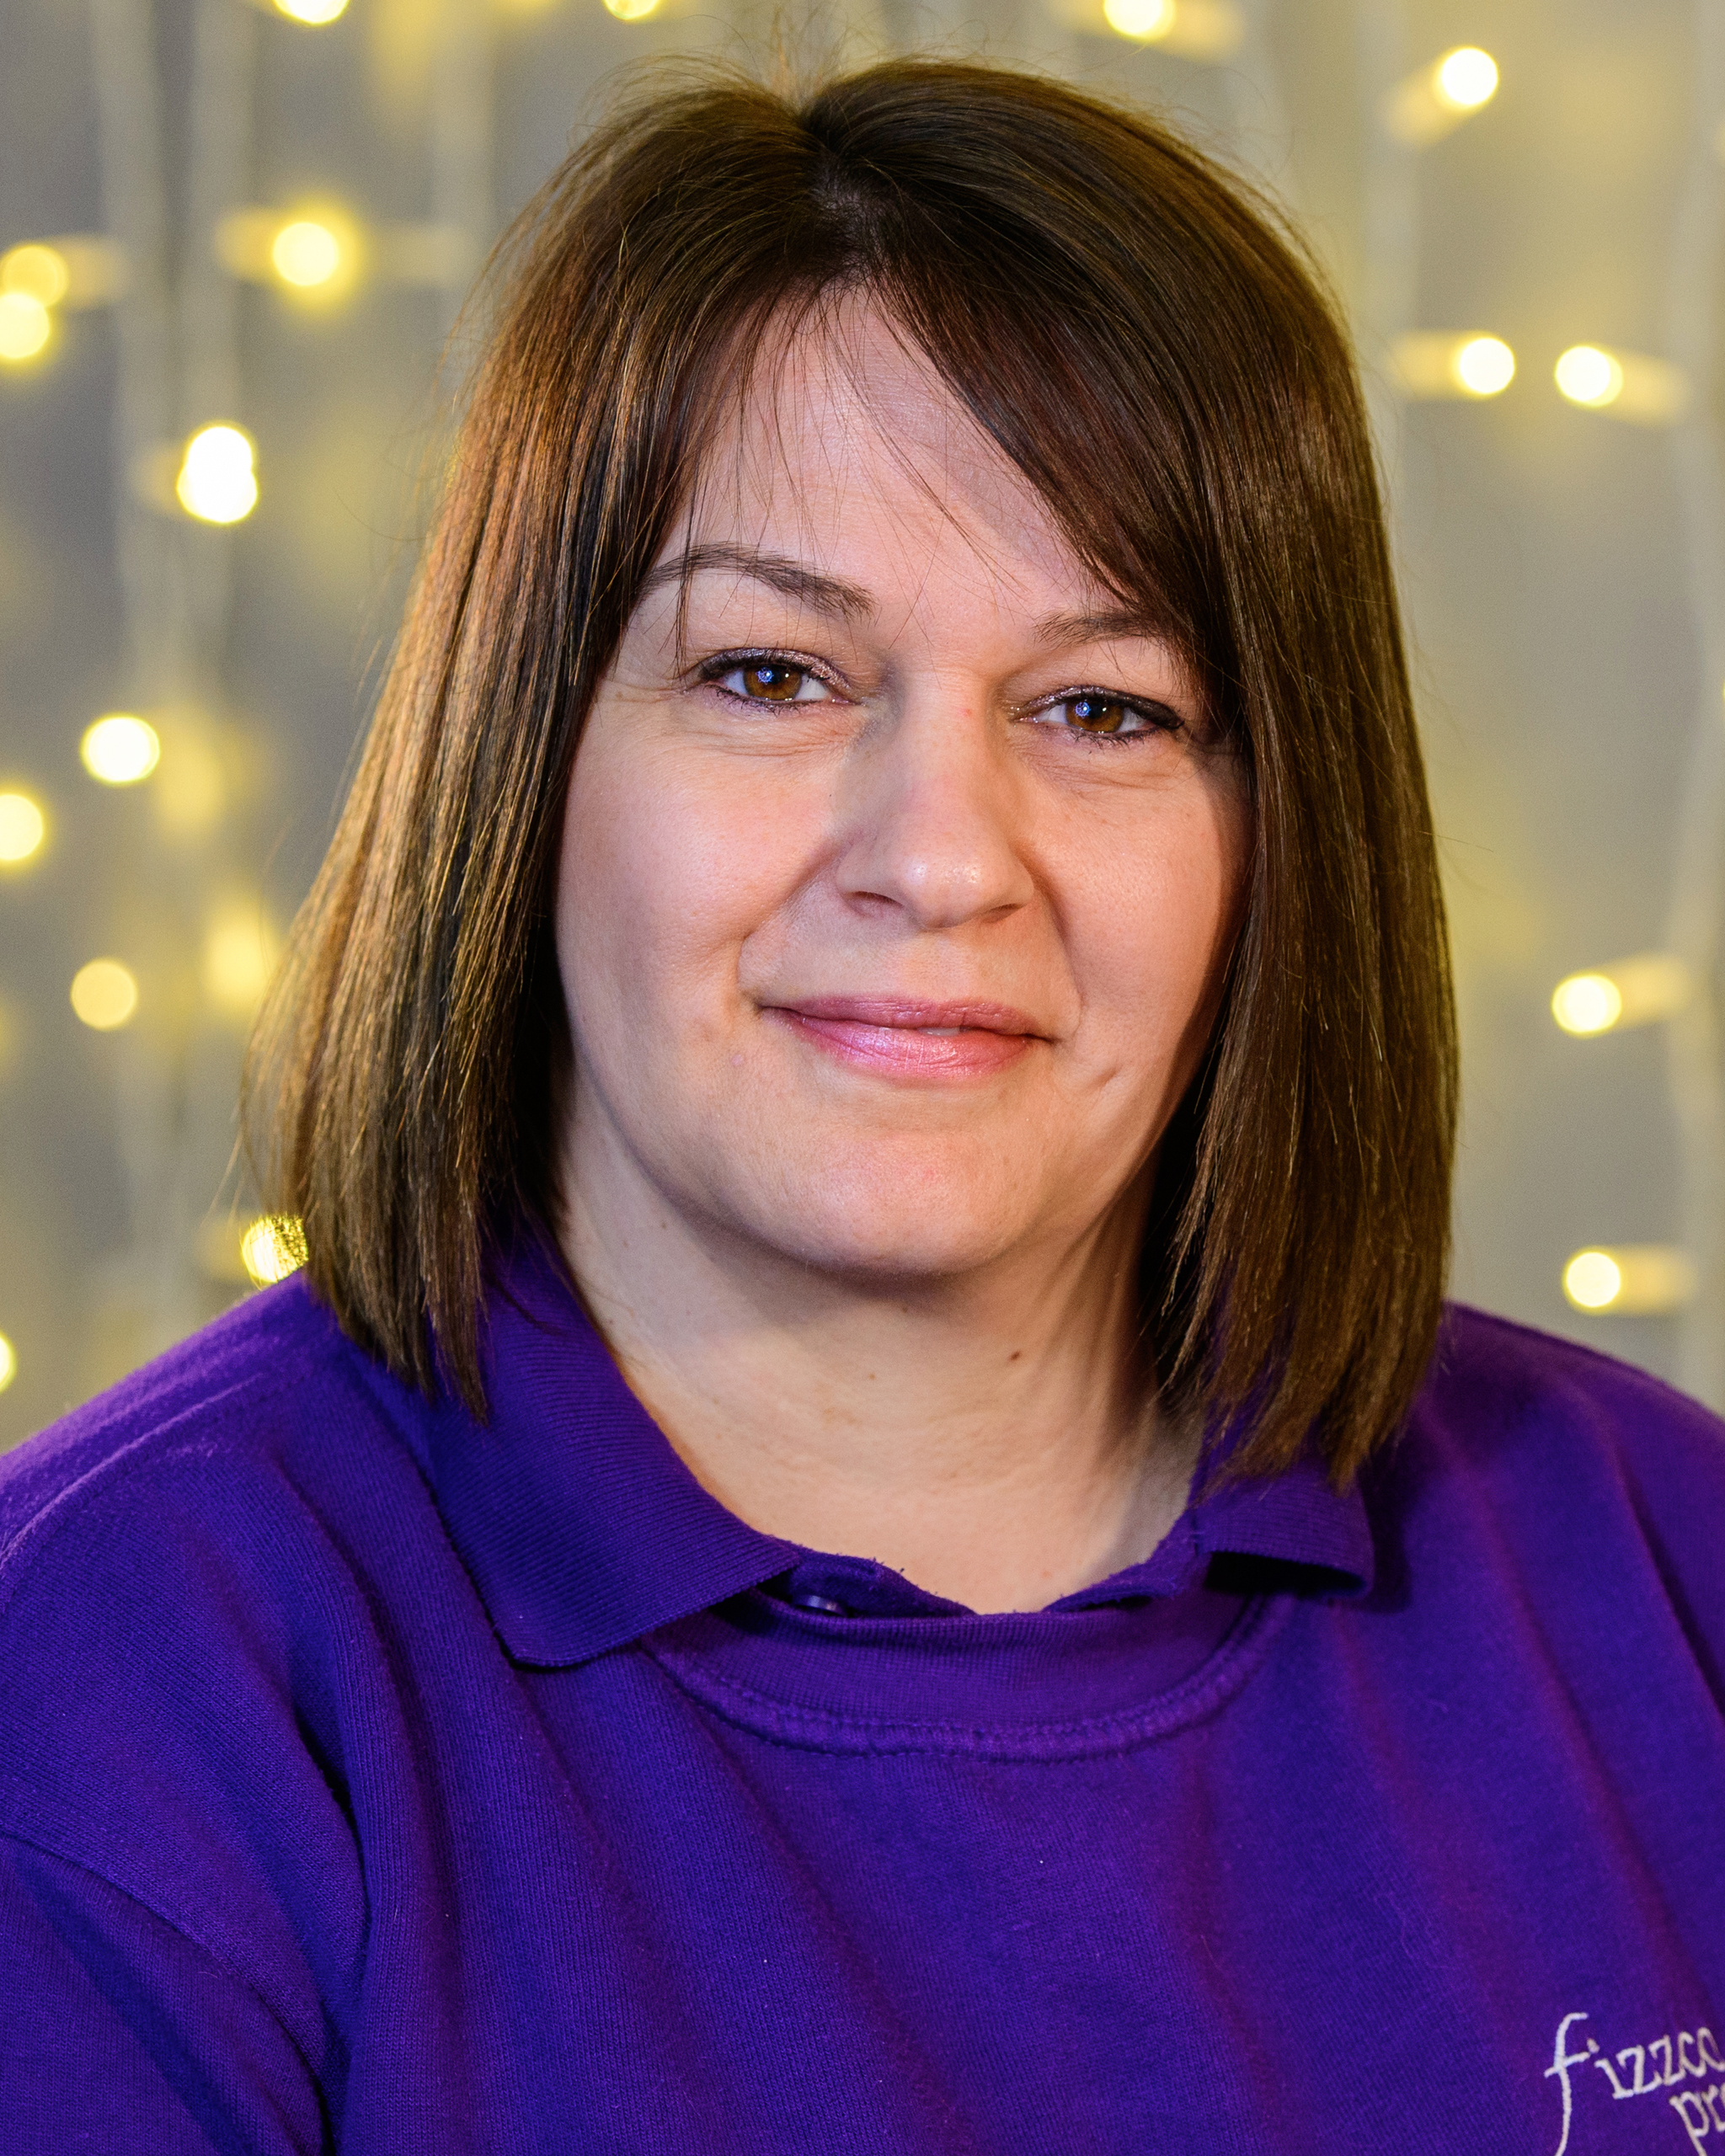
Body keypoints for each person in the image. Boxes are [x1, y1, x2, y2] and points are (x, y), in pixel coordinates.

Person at [2, 56, 1722, 2156]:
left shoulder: (1660, 1556)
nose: (939, 855)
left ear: (1281, 836)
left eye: (1106, 706)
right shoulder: (118, 1690)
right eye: (770, 674)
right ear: (524, 756)